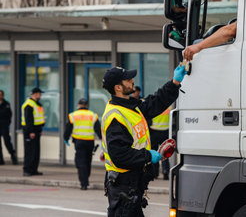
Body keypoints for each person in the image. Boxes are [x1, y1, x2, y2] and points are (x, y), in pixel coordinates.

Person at [101, 65, 186, 216]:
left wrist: (174, 83)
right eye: (128, 79)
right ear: (118, 87)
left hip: (131, 186)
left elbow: (154, 103)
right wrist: (148, 156)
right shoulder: (116, 117)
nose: (132, 81)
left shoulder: (131, 106)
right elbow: (120, 156)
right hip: (124, 187)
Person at [64, 98, 102, 190]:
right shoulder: (93, 115)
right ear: (87, 105)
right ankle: (86, 178)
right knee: (88, 161)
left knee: (80, 162)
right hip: (89, 142)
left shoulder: (73, 115)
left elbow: (68, 128)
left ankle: (83, 183)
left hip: (79, 141)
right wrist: (101, 139)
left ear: (79, 105)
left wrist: (66, 138)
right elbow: (98, 129)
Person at [22, 87, 45, 176]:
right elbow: (29, 120)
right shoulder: (29, 105)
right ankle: (27, 170)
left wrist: (39, 130)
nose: (40, 95)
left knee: (36, 152)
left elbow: (38, 119)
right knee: (29, 151)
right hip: (30, 130)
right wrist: (31, 132)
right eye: (39, 94)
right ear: (35, 94)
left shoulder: (37, 104)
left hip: (36, 130)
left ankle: (34, 169)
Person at [149, 106, 171, 180]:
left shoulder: (154, 105)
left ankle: (155, 173)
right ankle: (165, 172)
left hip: (154, 131)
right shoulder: (168, 106)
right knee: (164, 152)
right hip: (165, 131)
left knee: (154, 153)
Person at [0, 90, 17, 165]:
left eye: (1, 94)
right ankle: (0, 159)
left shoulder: (6, 104)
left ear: (3, 96)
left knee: (7, 141)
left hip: (4, 126)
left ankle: (13, 155)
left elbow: (9, 114)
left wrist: (7, 123)